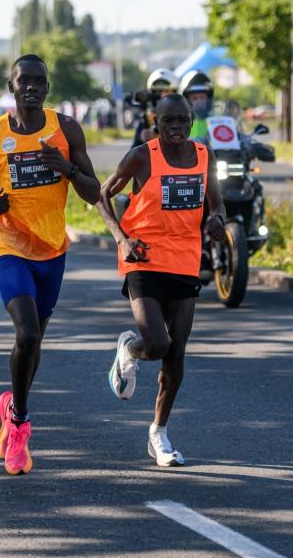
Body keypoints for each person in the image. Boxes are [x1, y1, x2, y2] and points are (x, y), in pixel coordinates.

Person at [0, 54, 100, 475]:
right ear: (11, 85)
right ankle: (20, 423)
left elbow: (93, 191)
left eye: (39, 81)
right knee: (25, 331)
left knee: (35, 339)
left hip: (52, 250)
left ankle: (12, 405)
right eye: (24, 80)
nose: (32, 87)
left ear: (47, 87)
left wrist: (67, 168)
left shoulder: (66, 130)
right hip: (9, 244)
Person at [97, 93, 225, 467]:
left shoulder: (204, 157)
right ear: (156, 122)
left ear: (191, 121)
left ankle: (159, 433)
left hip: (185, 260)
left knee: (177, 350)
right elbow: (103, 196)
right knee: (156, 343)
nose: (177, 128)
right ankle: (130, 350)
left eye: (183, 121)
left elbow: (216, 203)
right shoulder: (141, 156)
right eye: (169, 121)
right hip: (143, 257)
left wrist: (217, 218)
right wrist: (121, 239)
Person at [132, 69, 178, 147]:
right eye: (158, 92)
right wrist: (142, 139)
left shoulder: (182, 115)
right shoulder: (146, 117)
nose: (162, 96)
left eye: (167, 92)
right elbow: (133, 154)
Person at [178, 69, 214, 145]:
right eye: (194, 98)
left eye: (202, 97)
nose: (199, 101)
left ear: (208, 99)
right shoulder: (179, 123)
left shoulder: (216, 120)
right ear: (186, 101)